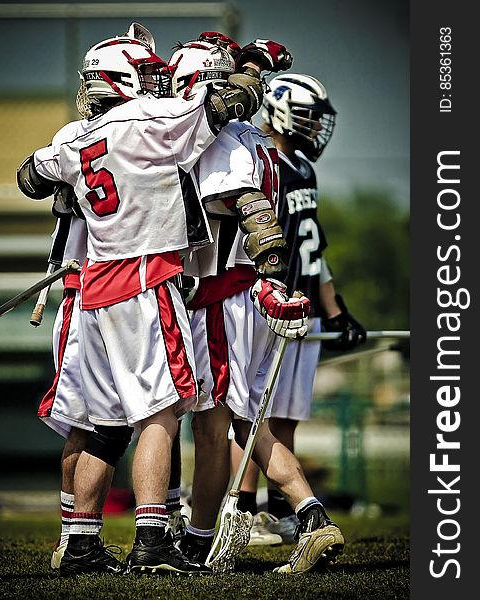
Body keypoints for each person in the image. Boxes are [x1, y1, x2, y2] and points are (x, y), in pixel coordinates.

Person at [17, 30, 285, 576]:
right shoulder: (149, 122)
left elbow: (28, 176)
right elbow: (226, 103)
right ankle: (152, 541)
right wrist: (254, 68)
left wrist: (70, 187)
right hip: (145, 278)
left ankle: (82, 544)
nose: (158, 83)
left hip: (92, 286)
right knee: (160, 416)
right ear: (125, 79)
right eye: (147, 73)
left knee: (100, 424)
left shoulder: (73, 137)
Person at [167, 38, 345, 575]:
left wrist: (267, 278)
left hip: (224, 299)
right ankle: (312, 518)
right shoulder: (251, 136)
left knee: (213, 424)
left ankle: (199, 539)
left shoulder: (224, 141)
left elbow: (250, 213)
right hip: (241, 298)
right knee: (245, 423)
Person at [230, 74, 367, 556]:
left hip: (303, 303)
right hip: (270, 300)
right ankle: (243, 510)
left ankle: (279, 510)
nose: (314, 126)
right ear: (280, 110)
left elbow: (315, 249)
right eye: (307, 115)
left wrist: (336, 309)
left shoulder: (303, 168)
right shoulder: (262, 163)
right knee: (253, 413)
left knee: (285, 414)